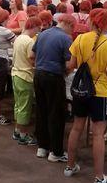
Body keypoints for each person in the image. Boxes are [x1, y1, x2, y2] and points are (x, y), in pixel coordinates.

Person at [65, 9, 107, 183]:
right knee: (98, 134)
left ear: (91, 21)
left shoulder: (79, 39)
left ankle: (70, 166)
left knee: (76, 128)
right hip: (100, 92)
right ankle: (98, 177)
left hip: (81, 91)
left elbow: (72, 65)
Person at [32, 14, 76, 162]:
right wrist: (66, 72)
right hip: (54, 77)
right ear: (68, 24)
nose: (72, 31)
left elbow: (32, 55)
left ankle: (42, 147)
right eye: (73, 28)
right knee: (56, 114)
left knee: (41, 110)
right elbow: (70, 64)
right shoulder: (65, 39)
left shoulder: (43, 34)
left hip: (38, 75)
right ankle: (55, 152)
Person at [11, 17, 42, 145]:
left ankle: (17, 130)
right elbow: (31, 58)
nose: (38, 31)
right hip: (25, 76)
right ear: (34, 26)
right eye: (38, 28)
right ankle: (23, 135)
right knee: (25, 107)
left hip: (15, 74)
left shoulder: (18, 38)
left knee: (18, 105)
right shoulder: (29, 41)